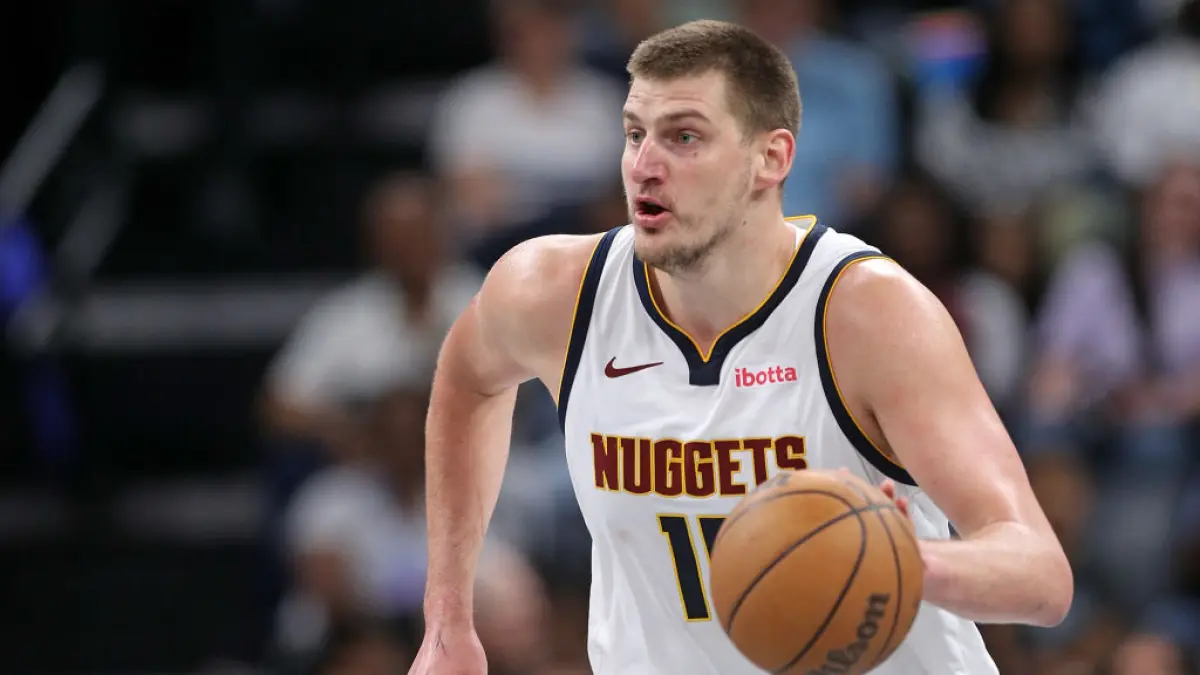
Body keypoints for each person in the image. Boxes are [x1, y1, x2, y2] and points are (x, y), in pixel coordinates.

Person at [410, 19, 1072, 675]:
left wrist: (902, 561)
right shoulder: (554, 292)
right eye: (635, 134)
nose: (644, 166)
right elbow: (468, 380)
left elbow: (1040, 573)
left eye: (684, 137)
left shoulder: (869, 314)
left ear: (772, 158)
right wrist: (447, 617)